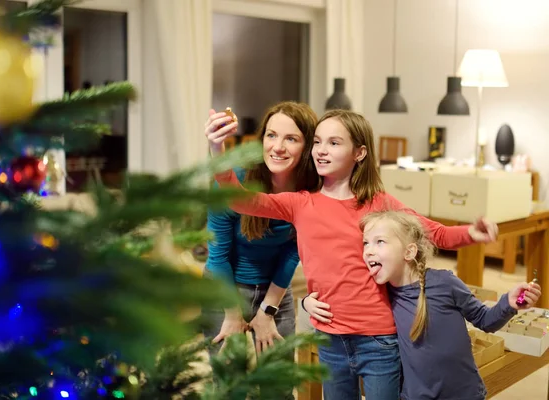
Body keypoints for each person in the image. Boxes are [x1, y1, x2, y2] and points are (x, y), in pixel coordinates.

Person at [205, 109, 499, 400]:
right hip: (330, 340)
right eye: (317, 142)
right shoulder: (299, 203)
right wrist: (218, 149)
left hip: (379, 340)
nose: (321, 150)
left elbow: (434, 233)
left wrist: (471, 234)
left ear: (359, 153)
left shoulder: (380, 203)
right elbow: (241, 200)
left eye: (334, 143)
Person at [360, 210, 541, 400]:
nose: (368, 250)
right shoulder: (381, 295)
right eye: (365, 243)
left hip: (465, 394)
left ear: (409, 251)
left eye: (379, 241)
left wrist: (508, 302)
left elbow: (485, 320)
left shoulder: (445, 282)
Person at [203, 102, 319, 357]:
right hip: (224, 288)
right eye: (271, 135)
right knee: (227, 385)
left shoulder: (310, 191)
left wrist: (268, 309)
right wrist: (232, 314)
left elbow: (292, 253)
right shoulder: (237, 179)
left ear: (308, 145)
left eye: (291, 138)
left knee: (279, 383)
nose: (278, 147)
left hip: (275, 290)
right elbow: (218, 255)